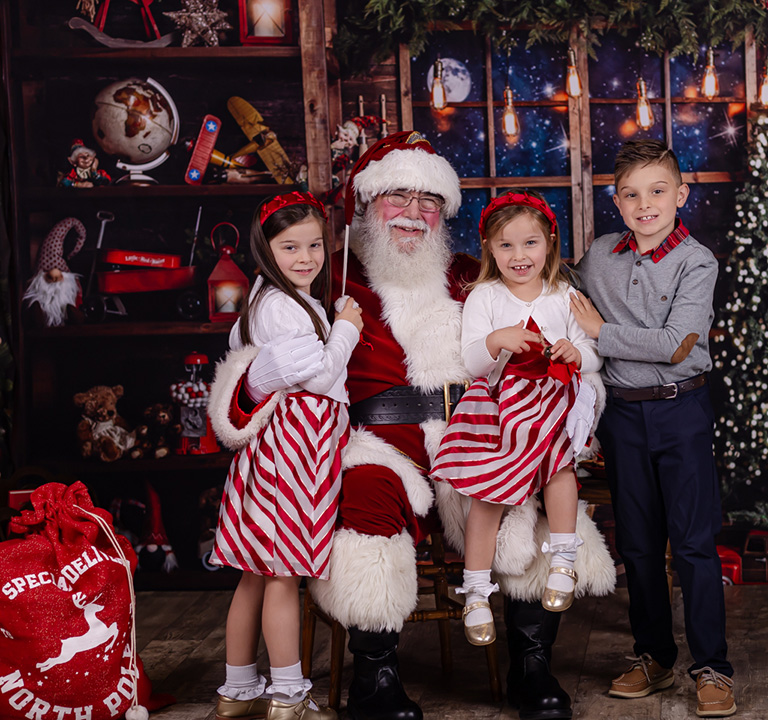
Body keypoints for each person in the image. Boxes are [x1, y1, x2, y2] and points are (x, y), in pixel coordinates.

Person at [209, 132, 616, 720]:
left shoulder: (478, 275)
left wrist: (569, 407)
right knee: (366, 499)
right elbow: (253, 358)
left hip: (476, 433)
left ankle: (532, 665)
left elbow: (551, 336)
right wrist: (252, 384)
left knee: (522, 495)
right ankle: (374, 677)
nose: (413, 213)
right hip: (376, 441)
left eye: (429, 202)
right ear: (367, 206)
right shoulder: (328, 280)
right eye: (397, 197)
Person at [570, 139, 736, 718]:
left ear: (680, 195)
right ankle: (654, 658)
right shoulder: (596, 257)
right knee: (637, 546)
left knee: (692, 543)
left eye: (658, 192)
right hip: (622, 415)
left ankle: (712, 668)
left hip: (680, 409)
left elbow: (677, 345)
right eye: (633, 195)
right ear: (617, 202)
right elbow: (549, 288)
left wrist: (599, 330)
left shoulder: (697, 260)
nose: (646, 204)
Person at [209, 191, 363, 720]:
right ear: (265, 250)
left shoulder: (275, 300)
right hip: (295, 445)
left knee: (254, 572)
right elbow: (317, 374)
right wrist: (346, 327)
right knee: (282, 573)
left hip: (280, 443)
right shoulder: (281, 307)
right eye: (290, 247)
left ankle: (236, 689)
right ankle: (289, 696)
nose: (306, 258)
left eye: (316, 245)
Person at [430, 190, 602, 647]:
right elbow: (470, 360)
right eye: (506, 245)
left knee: (560, 469)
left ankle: (564, 559)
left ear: (549, 243)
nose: (519, 255)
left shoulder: (563, 295)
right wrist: (496, 341)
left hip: (548, 403)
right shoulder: (483, 296)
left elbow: (591, 353)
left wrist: (575, 353)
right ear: (488, 246)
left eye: (530, 243)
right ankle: (477, 589)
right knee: (487, 491)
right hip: (499, 407)